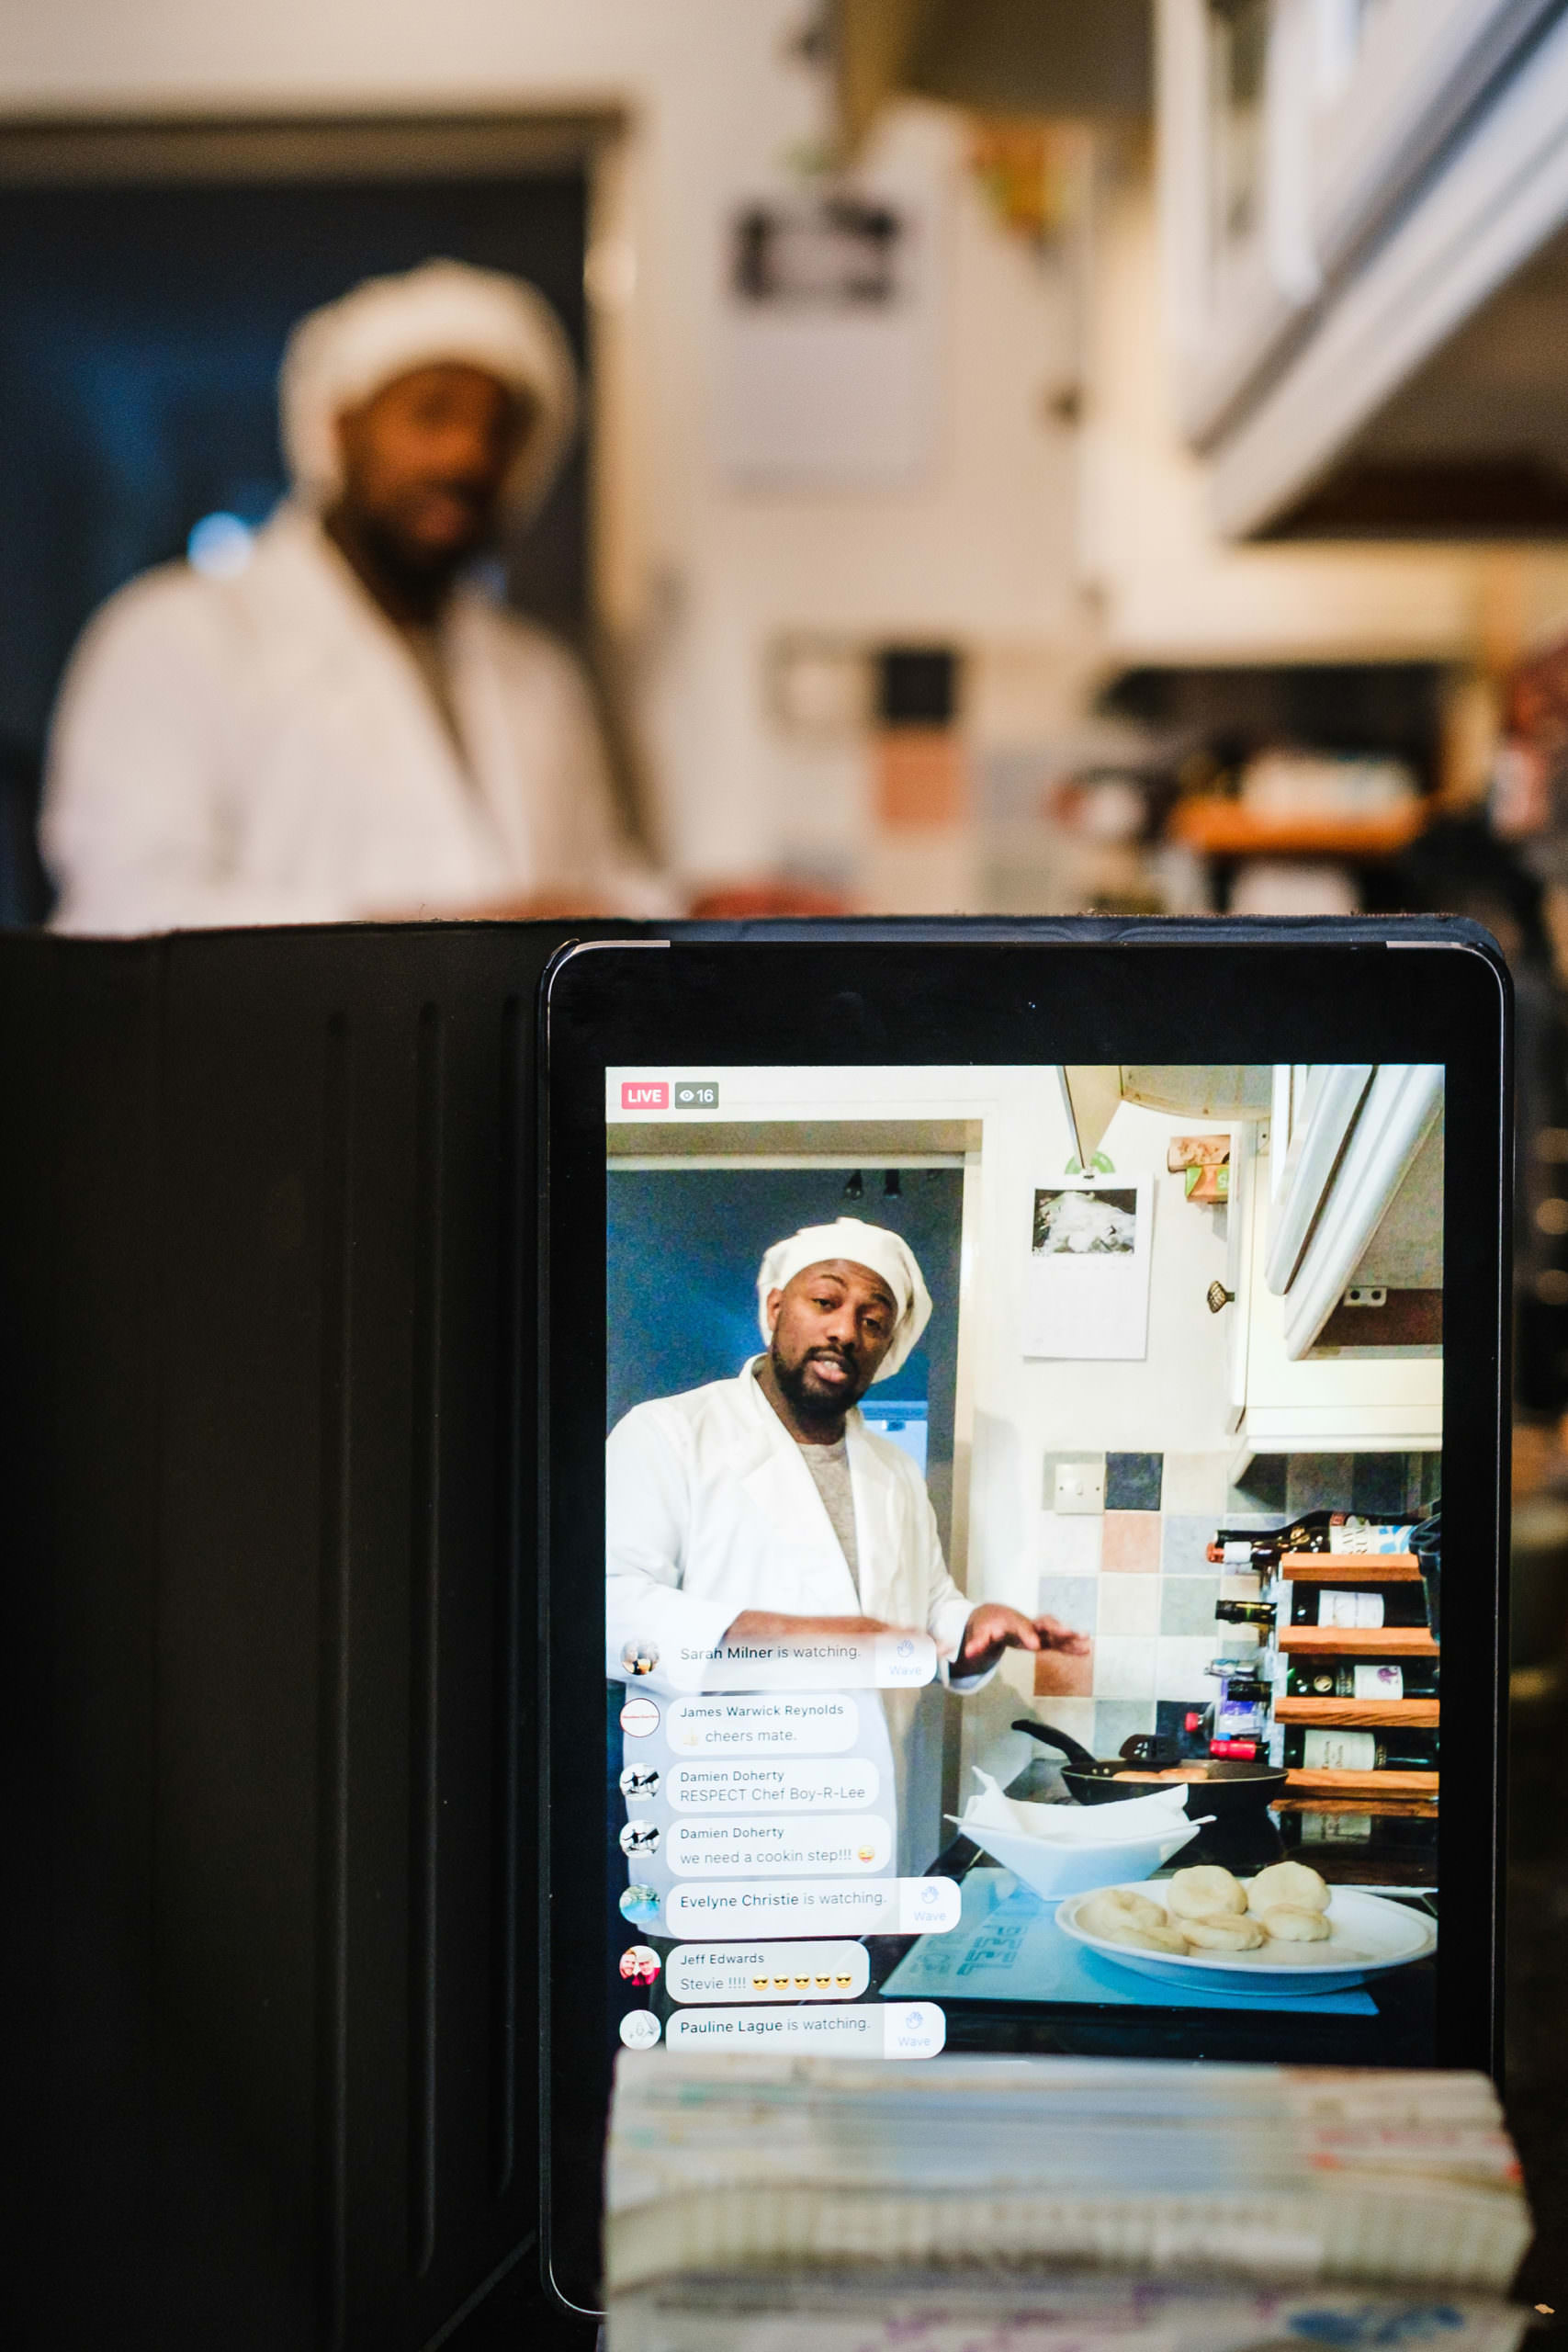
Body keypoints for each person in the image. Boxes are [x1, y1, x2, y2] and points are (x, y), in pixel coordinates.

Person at [41, 259, 667, 933]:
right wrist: (419, 939)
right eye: (431, 416)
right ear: (339, 428)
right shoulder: (168, 635)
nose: (467, 458)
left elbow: (595, 888)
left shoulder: (543, 677)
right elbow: (120, 914)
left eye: (497, 432)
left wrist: (696, 909)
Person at [605, 1216, 1089, 1871]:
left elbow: (928, 1606)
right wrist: (817, 1633)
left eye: (872, 1319)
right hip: (724, 1835)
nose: (844, 1331)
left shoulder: (892, 1470)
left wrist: (975, 1625)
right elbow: (609, 1610)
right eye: (825, 1302)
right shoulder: (668, 1434)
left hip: (865, 1821)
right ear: (776, 1308)